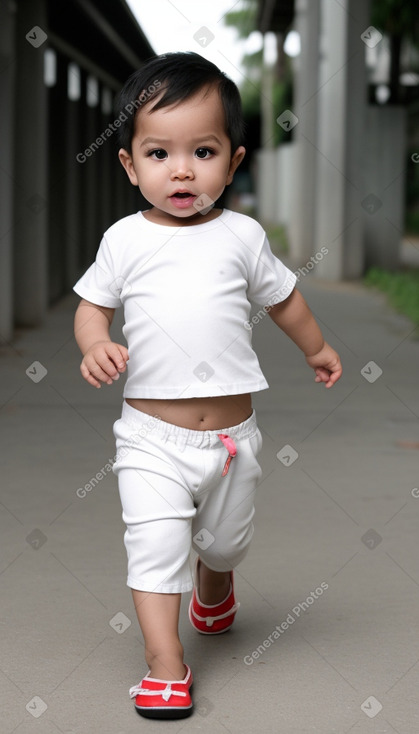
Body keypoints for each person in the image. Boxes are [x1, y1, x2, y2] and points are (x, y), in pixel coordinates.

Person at [73, 51, 342, 720]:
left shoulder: (242, 237)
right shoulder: (123, 240)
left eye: (203, 150)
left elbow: (284, 300)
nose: (183, 169)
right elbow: (91, 307)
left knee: (224, 542)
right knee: (155, 544)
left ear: (233, 159)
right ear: (130, 164)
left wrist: (317, 347)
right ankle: (165, 665)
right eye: (159, 154)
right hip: (149, 439)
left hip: (230, 443)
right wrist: (94, 343)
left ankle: (215, 583)